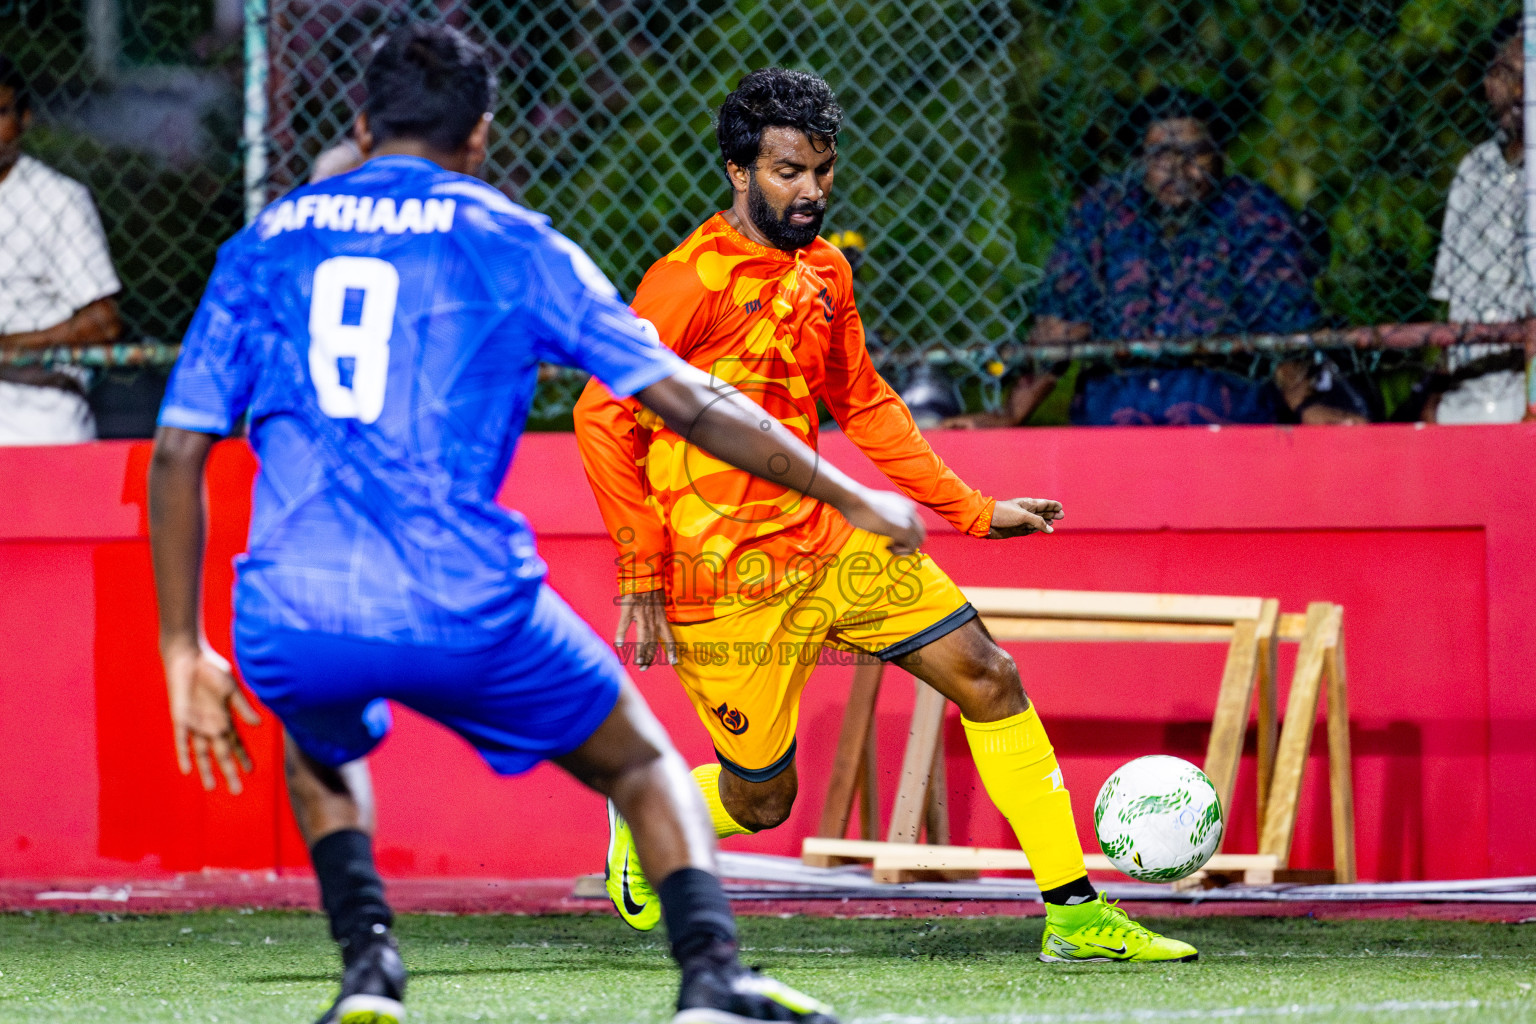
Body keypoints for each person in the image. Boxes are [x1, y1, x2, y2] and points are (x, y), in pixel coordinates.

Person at [149, 25, 923, 1024]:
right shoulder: (512, 239)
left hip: (290, 605)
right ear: (480, 134)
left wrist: (181, 646)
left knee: (318, 728)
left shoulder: (265, 242)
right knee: (644, 760)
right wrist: (852, 494)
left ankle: (369, 968)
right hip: (458, 593)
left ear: (360, 123)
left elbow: (178, 450)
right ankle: (711, 975)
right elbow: (685, 399)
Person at [574, 68, 1197, 964]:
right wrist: (640, 568)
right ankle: (643, 813)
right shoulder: (684, 284)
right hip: (726, 577)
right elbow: (605, 414)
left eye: (823, 170)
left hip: (833, 546)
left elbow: (862, 403)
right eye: (788, 171)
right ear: (737, 172)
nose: (811, 191)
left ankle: (1076, 915)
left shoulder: (828, 270)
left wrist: (973, 511)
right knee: (762, 801)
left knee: (990, 675)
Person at [948, 86, 1340, 428]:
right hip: (1116, 402)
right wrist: (1014, 412)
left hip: (1222, 403)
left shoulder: (1250, 212)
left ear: (1219, 155)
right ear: (1140, 159)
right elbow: (1064, 319)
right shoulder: (1104, 213)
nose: (1178, 169)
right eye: (1161, 154)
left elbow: (1281, 315)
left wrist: (1305, 404)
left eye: (1195, 153)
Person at [0, 53, 124, 444]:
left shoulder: (57, 199)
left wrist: (9, 347)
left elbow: (103, 322)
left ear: (24, 118)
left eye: (0, 112)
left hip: (38, 432)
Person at [1428, 15, 1531, 424]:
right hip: (1465, 405)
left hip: (1524, 400)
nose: (1519, 91)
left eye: (1531, 75)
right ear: (1490, 82)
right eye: (1507, 74)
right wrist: (1433, 398)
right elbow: (1455, 310)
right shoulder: (1474, 171)